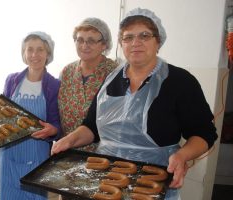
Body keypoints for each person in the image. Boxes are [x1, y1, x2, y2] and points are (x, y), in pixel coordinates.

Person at [51, 8, 218, 199]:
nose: (135, 43)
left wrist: (182, 156)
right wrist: (69, 140)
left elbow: (204, 132)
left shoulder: (180, 81)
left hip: (153, 182)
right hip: (105, 180)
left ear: (158, 41)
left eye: (144, 36)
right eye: (128, 37)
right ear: (121, 44)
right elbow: (92, 127)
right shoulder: (110, 81)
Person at [0, 31, 62, 200]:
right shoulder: (12, 80)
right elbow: (4, 115)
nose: (34, 55)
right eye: (30, 49)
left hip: (36, 153)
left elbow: (57, 123)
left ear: (48, 53)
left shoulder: (53, 85)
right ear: (24, 53)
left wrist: (52, 130)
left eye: (40, 49)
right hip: (9, 152)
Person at [58, 17, 117, 135]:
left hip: (100, 150)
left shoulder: (114, 72)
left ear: (104, 44)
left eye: (91, 41)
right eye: (80, 40)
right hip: (66, 147)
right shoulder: (67, 71)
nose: (84, 46)